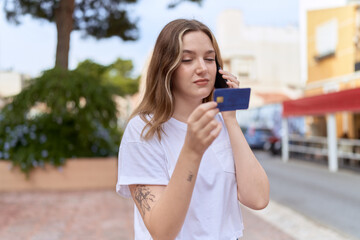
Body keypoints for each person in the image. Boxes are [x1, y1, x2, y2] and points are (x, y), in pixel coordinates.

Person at [116, 19, 270, 240]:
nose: (202, 68)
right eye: (187, 59)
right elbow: (162, 231)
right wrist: (192, 150)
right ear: (166, 67)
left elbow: (258, 198)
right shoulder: (143, 131)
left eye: (209, 58)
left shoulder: (222, 124)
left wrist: (230, 120)